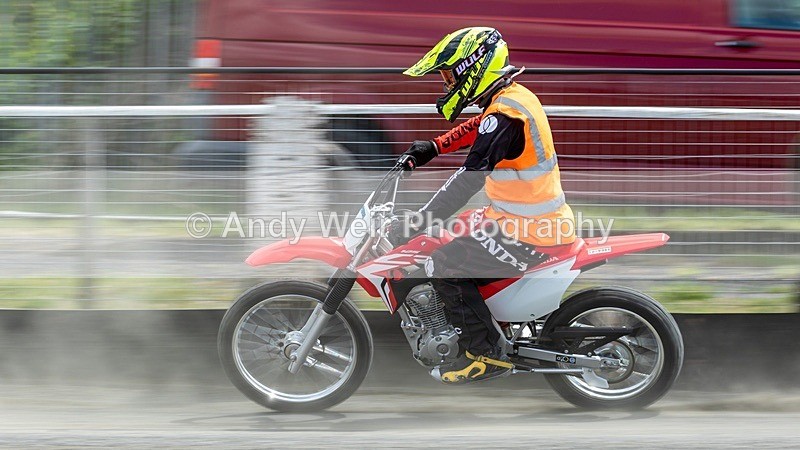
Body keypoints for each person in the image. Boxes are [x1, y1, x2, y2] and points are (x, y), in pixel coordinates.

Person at [396, 27, 576, 383]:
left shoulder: (506, 114)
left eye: (449, 75)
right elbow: (478, 127)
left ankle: (484, 351)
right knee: (452, 234)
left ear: (473, 68)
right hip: (520, 220)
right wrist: (433, 147)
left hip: (530, 231)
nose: (446, 85)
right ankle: (495, 324)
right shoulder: (511, 99)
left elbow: (468, 177)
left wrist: (421, 219)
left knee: (443, 262)